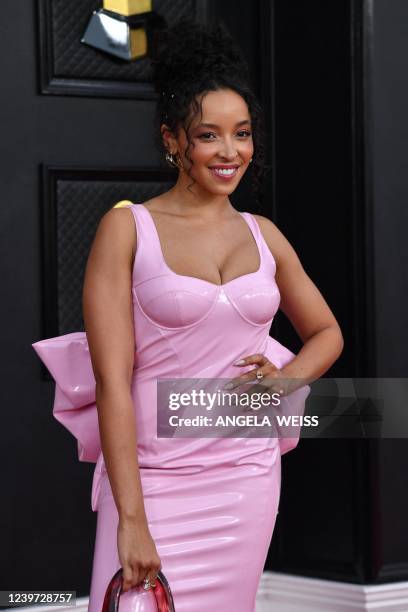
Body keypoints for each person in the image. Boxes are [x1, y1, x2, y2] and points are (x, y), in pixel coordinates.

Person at [81, 18, 344, 611]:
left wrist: (285, 380)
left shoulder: (264, 235)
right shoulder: (127, 230)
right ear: (173, 139)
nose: (232, 152)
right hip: (154, 477)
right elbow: (111, 385)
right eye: (210, 135)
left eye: (243, 134)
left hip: (245, 476)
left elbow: (327, 333)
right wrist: (131, 518)